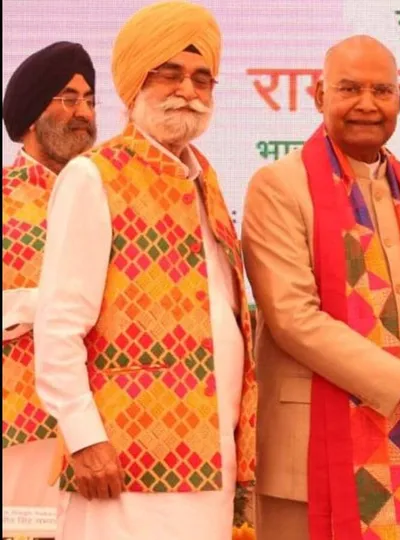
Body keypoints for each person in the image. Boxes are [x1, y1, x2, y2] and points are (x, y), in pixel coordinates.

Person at [241, 35, 400, 540]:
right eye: (349, 89)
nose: (367, 105)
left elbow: (397, 301)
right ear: (318, 94)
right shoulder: (279, 185)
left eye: (382, 91)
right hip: (309, 452)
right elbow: (293, 321)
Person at [32, 3, 257, 538]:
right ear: (135, 85)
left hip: (212, 451)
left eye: (203, 78)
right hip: (124, 457)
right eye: (171, 73)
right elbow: (59, 323)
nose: (189, 89)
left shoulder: (206, 179)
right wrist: (85, 438)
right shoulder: (94, 175)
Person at [2, 41, 97, 508]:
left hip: (104, 427)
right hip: (20, 432)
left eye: (90, 99)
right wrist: (50, 305)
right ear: (30, 114)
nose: (84, 112)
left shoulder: (109, 195)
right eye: (68, 97)